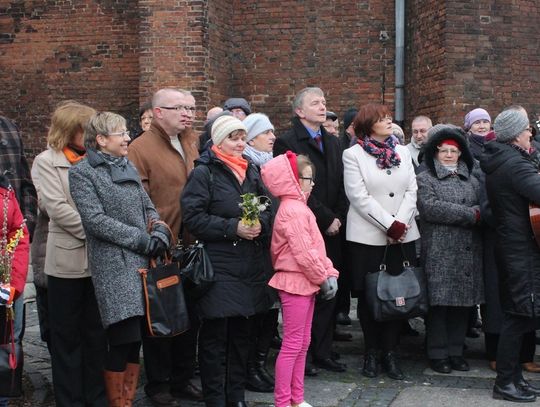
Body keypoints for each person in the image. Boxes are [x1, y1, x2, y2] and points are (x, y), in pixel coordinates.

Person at [69, 111, 171, 407]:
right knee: (122, 338)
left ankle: (125, 401)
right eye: (121, 133)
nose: (128, 137)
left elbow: (148, 207)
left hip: (142, 264)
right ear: (101, 140)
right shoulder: (82, 172)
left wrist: (159, 233)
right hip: (114, 265)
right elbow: (95, 221)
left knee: (135, 341)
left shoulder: (126, 165)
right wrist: (141, 239)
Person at [181, 115, 273, 407]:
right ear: (219, 142)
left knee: (242, 336)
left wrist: (260, 225)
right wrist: (233, 228)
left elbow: (268, 207)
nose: (240, 144)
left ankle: (236, 397)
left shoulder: (251, 170)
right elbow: (193, 217)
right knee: (215, 338)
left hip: (249, 265)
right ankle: (215, 399)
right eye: (234, 138)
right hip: (219, 266)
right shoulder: (204, 172)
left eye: (243, 138)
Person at [128, 88, 202, 406]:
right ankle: (158, 384)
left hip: (193, 246)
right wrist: (157, 235)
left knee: (190, 318)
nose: (188, 113)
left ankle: (183, 378)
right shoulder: (140, 149)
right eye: (180, 108)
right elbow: (138, 201)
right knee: (160, 318)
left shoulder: (192, 141)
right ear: (158, 112)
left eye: (191, 108)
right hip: (162, 247)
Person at [33, 101, 108, 406]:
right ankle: (70, 400)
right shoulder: (46, 162)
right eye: (86, 129)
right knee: (66, 338)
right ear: (69, 130)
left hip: (99, 261)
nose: (91, 136)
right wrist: (100, 230)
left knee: (96, 336)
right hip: (66, 262)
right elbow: (56, 208)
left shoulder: (98, 160)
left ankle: (96, 398)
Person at [343, 103, 420, 380]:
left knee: (398, 294)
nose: (389, 121)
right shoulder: (353, 155)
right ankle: (371, 352)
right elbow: (358, 196)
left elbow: (412, 189)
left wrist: (400, 224)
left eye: (389, 117)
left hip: (402, 235)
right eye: (382, 118)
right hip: (368, 238)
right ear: (368, 124)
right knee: (370, 296)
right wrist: (389, 225)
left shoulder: (402, 152)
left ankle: (391, 352)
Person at [274, 87, 348, 374]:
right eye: (315, 103)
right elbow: (296, 186)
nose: (322, 106)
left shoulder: (333, 142)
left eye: (324, 102)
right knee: (306, 293)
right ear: (299, 111)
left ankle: (323, 350)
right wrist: (326, 218)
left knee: (329, 290)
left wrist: (338, 216)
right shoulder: (287, 142)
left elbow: (341, 183)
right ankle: (302, 356)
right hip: (305, 226)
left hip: (333, 227)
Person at [260, 152, 339, 407]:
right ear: (294, 180)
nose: (312, 183)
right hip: (295, 282)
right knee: (293, 344)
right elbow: (304, 252)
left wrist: (328, 272)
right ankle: (284, 401)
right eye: (308, 178)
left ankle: (296, 398)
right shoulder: (293, 210)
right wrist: (323, 276)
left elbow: (315, 248)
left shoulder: (298, 208)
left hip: (305, 281)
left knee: (302, 342)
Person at [480, 108, 540, 402]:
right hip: (520, 250)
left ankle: (515, 377)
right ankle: (505, 382)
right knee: (518, 317)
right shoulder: (515, 164)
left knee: (520, 315)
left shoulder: (502, 160)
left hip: (511, 246)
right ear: (516, 135)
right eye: (527, 129)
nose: (531, 133)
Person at [416, 127, 483, 374]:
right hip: (439, 250)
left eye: (453, 151)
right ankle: (437, 353)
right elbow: (431, 208)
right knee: (439, 305)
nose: (448, 155)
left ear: (460, 153)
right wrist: (469, 214)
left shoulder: (472, 179)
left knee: (462, 305)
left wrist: (473, 213)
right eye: (443, 151)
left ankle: (456, 352)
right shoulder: (426, 178)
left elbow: (482, 207)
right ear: (435, 153)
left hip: (467, 250)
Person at [242, 112, 278, 393]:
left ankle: (259, 364)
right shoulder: (246, 167)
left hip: (274, 247)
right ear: (251, 139)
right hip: (255, 247)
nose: (272, 137)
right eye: (266, 132)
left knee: (270, 311)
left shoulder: (272, 164)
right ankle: (249, 368)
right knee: (255, 313)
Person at [0, 173, 30, 407]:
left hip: (5, 284)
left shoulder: (5, 194)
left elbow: (18, 236)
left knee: (6, 340)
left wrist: (13, 282)